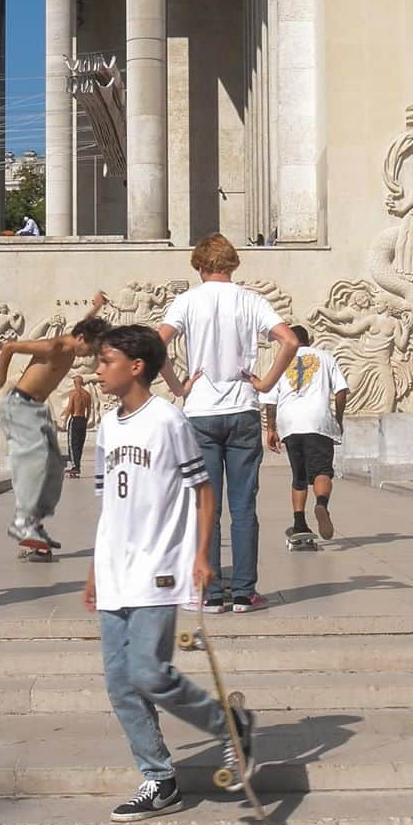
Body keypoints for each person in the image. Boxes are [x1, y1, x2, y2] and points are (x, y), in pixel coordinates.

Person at [84, 325, 256, 824]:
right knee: (119, 683)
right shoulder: (108, 425)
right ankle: (159, 779)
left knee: (146, 671)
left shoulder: (167, 420)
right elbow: (108, 507)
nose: (97, 369)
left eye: (105, 361)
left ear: (136, 366)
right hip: (115, 568)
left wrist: (203, 556)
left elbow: (203, 492)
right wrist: (95, 569)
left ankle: (228, 724)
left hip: (158, 567)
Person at [158, 233, 299, 614]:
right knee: (243, 507)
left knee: (207, 506)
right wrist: (266, 382)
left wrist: (178, 385)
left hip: (201, 411)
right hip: (241, 408)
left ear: (201, 267)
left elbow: (156, 344)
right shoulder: (251, 300)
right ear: (231, 265)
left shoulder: (187, 301)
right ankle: (244, 592)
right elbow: (288, 341)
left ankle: (211, 592)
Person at [0, 291, 108, 550]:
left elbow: (84, 325)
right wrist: (0, 378)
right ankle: (22, 521)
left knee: (55, 465)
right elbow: (9, 347)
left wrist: (95, 309)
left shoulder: (75, 341)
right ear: (80, 339)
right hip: (19, 405)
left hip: (36, 408)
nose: (90, 355)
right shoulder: (53, 346)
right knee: (34, 461)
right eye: (90, 348)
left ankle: (34, 523)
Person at [262, 325, 349, 542]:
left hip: (290, 422)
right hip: (317, 421)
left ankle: (299, 523)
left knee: (298, 476)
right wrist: (338, 418)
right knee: (322, 471)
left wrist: (271, 429)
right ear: (309, 340)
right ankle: (321, 505)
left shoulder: (282, 360)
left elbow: (270, 401)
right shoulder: (325, 357)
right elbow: (340, 391)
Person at [61, 374, 91, 478]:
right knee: (80, 444)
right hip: (83, 420)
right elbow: (89, 410)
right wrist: (86, 420)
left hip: (75, 419)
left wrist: (65, 421)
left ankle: (75, 467)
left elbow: (70, 407)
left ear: (75, 383)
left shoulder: (73, 393)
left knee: (73, 444)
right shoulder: (87, 394)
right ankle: (77, 466)